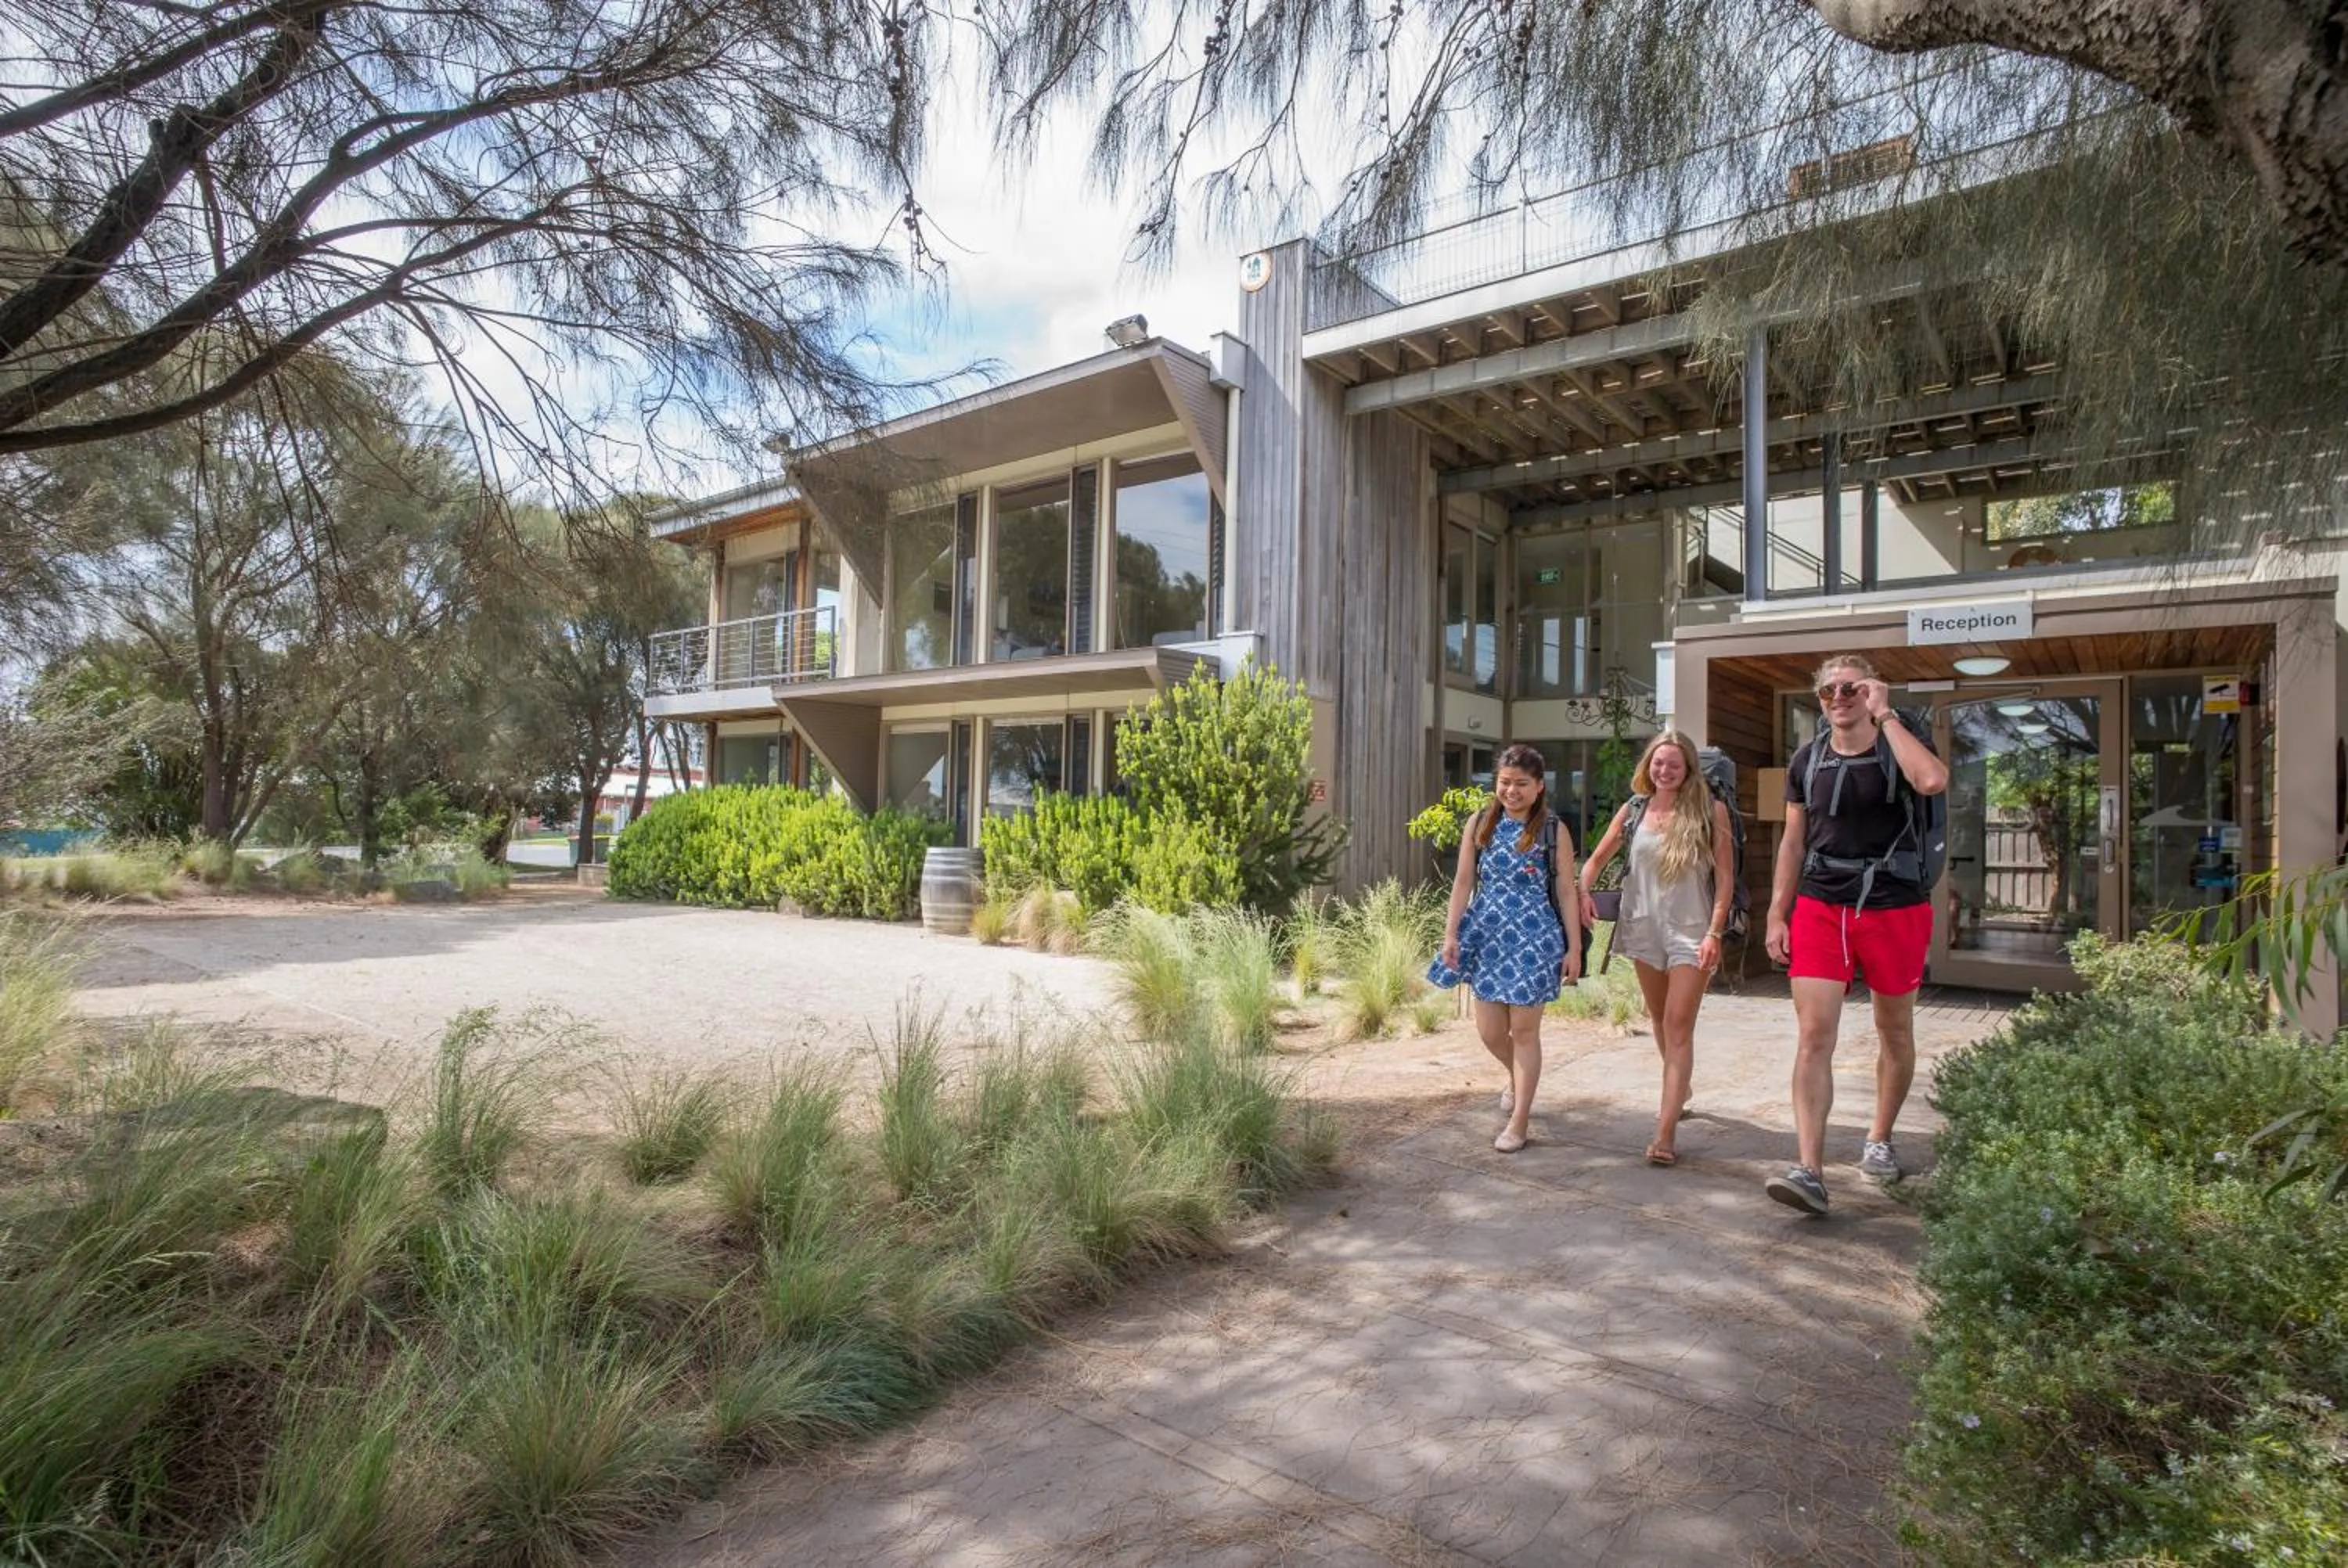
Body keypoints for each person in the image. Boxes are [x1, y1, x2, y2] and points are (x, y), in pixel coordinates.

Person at [1763, 654, 1949, 1216]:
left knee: (1894, 1029)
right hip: (1822, 904)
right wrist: (1777, 913)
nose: (1839, 698)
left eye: (1851, 688)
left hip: (1896, 907)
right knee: (1814, 1036)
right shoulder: (1807, 759)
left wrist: (1886, 714)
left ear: (1870, 692)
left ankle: (1880, 1137)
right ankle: (1809, 1170)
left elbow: (1932, 780)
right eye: (1828, 692)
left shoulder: (1897, 742)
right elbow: (1793, 841)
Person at [1576, 731, 1736, 1168]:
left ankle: (1665, 1132)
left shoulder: (1710, 810)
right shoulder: (1634, 810)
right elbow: (1596, 860)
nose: (1664, 771)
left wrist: (1715, 933)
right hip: (1642, 928)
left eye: (1674, 765)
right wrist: (1584, 891)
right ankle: (1679, 1088)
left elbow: (1725, 878)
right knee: (1660, 1019)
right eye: (1658, 763)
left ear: (1688, 770)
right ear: (1648, 765)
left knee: (1678, 1025)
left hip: (1692, 931)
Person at [1428, 743, 1583, 1153]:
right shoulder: (1480, 823)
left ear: (1539, 787)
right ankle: (1516, 1077)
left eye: (1521, 784)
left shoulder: (1553, 829)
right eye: (1505, 782)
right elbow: (1463, 881)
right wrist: (1451, 934)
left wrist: (1575, 949)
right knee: (1490, 1032)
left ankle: (1520, 1122)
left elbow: (1567, 892)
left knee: (1525, 1032)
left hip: (1535, 940)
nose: (1512, 791)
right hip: (1488, 936)